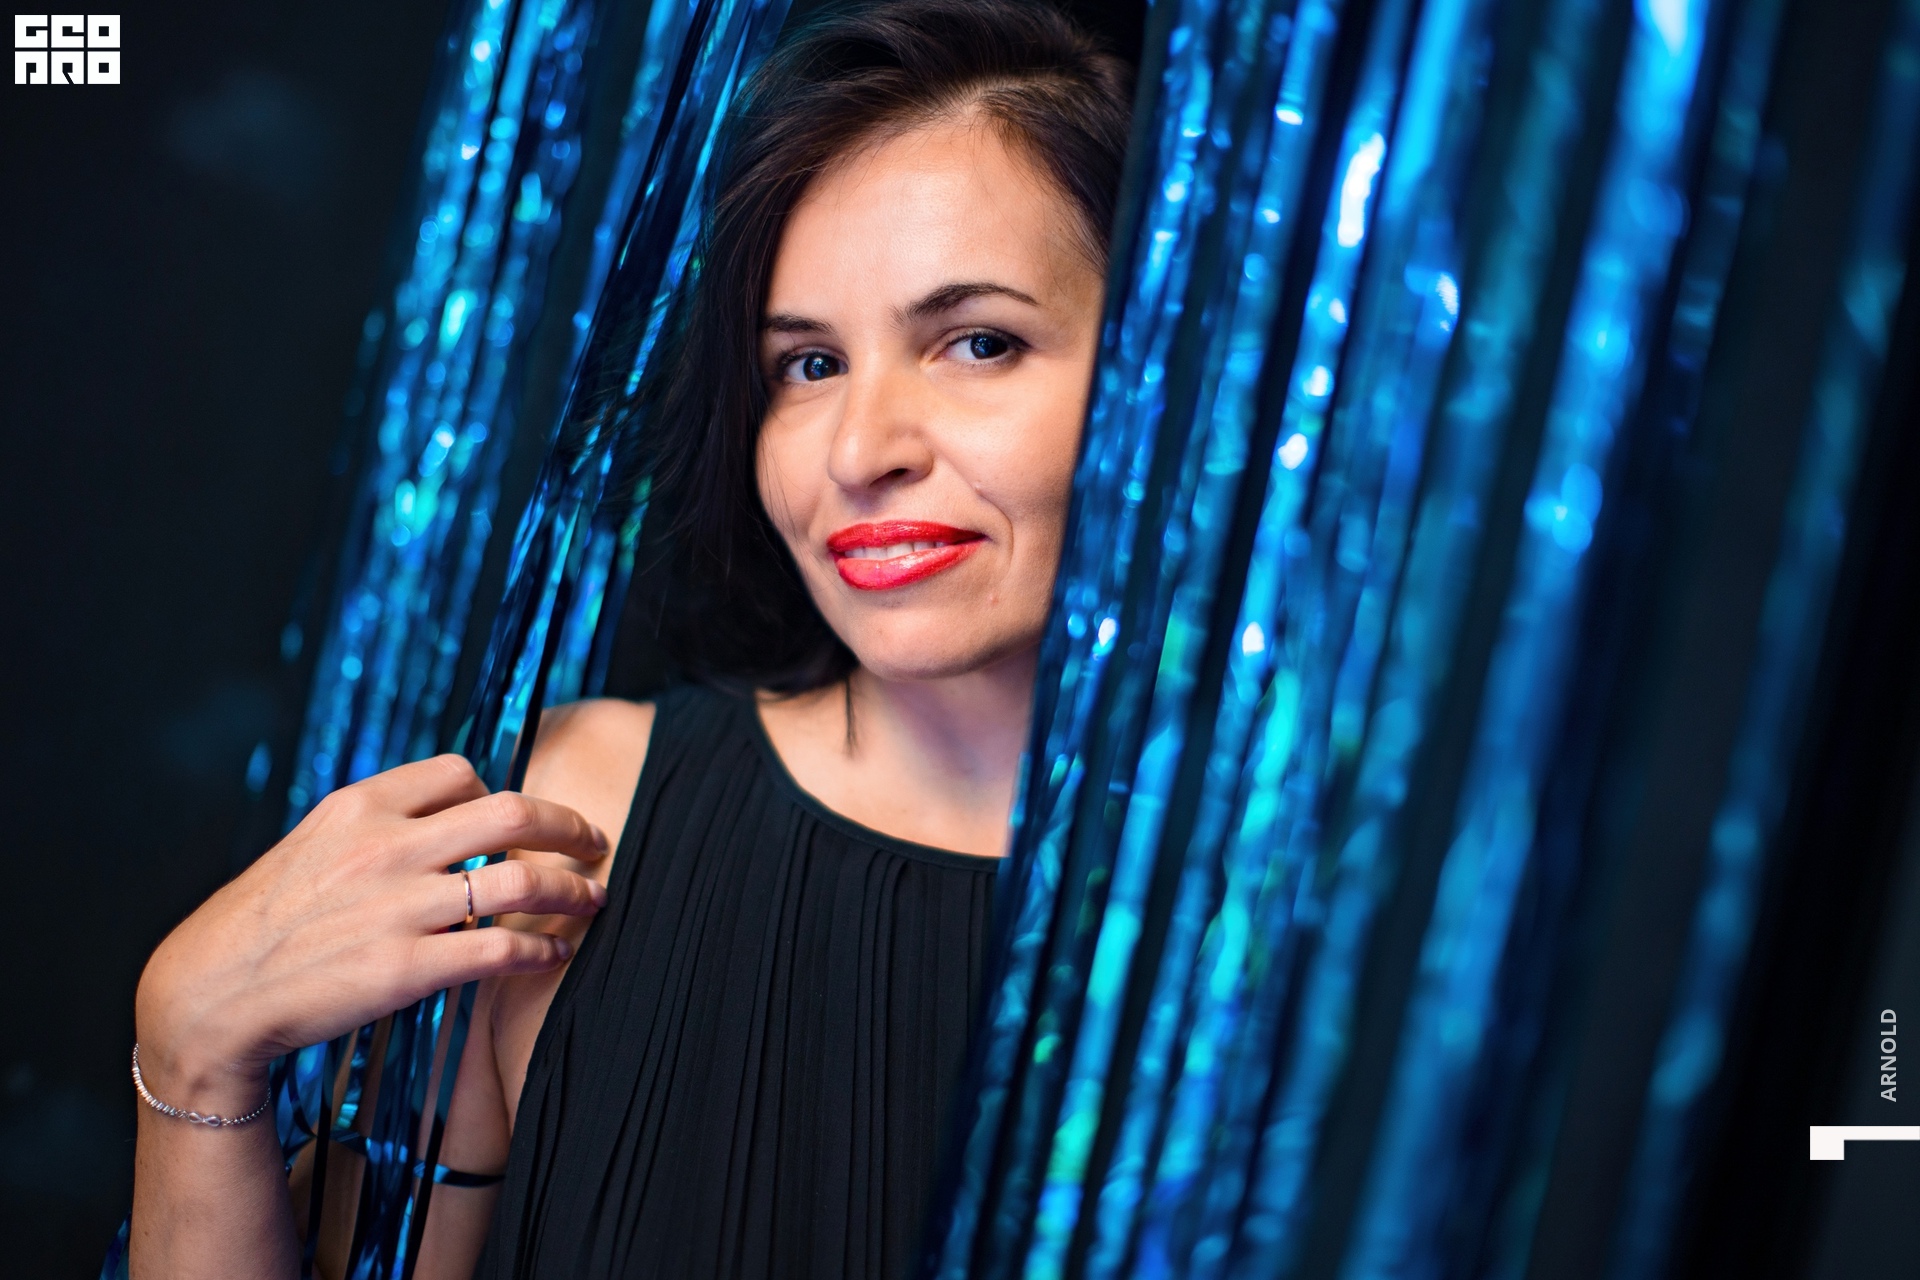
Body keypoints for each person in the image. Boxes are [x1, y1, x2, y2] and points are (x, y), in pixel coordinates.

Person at [127, 2, 1131, 1275]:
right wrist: (189, 1049)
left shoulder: (1302, 907)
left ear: (1165, 367)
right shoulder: (566, 828)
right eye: (807, 365)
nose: (859, 449)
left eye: (978, 342)